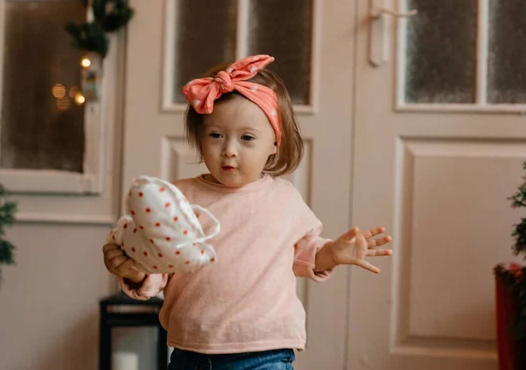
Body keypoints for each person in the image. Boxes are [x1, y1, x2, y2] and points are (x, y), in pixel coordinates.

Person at [102, 54, 393, 369]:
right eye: (216, 135)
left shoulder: (283, 200)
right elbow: (162, 258)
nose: (229, 149)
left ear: (274, 145)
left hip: (264, 351)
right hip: (191, 351)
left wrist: (333, 252)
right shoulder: (179, 198)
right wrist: (135, 270)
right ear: (199, 139)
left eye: (247, 138)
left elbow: (301, 254)